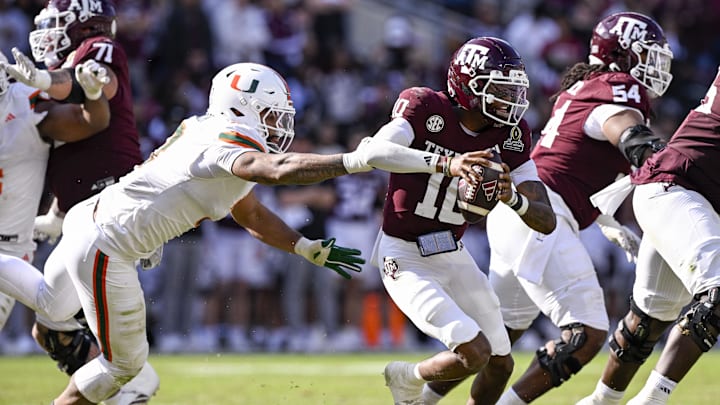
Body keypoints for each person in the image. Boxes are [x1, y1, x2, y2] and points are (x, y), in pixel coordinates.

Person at [0, 61, 497, 405]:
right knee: (122, 367)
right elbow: (272, 169)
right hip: (110, 245)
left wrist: (303, 246)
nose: (280, 124)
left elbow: (250, 211)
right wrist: (351, 160)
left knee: (50, 303)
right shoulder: (223, 138)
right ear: (242, 105)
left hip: (93, 220)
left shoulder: (207, 131)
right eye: (273, 113)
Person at [462, 12, 672, 405]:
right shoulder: (617, 88)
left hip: (522, 213)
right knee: (587, 333)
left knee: (494, 342)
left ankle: (420, 393)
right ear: (624, 55)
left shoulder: (588, 86)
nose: (655, 65)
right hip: (539, 215)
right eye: (648, 55)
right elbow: (622, 129)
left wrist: (607, 220)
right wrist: (660, 156)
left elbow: (577, 161)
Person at [371, 36, 556, 405]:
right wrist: (446, 163)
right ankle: (406, 377)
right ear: (468, 85)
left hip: (451, 251)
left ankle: (418, 398)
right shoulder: (425, 106)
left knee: (500, 363)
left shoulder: (511, 133)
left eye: (515, 89)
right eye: (501, 89)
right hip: (404, 256)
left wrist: (512, 197)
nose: (512, 100)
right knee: (473, 352)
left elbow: (545, 218)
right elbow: (375, 151)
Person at [1, 0, 158, 402]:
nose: (44, 33)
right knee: (51, 324)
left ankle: (129, 378)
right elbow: (65, 155)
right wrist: (56, 211)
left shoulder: (96, 50)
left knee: (66, 319)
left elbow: (96, 91)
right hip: (80, 211)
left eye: (54, 23)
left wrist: (44, 79)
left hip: (107, 204)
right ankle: (128, 387)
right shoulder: (41, 95)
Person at [578, 67, 720, 405]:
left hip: (688, 198)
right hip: (677, 189)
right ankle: (651, 401)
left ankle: (601, 400)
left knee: (648, 320)